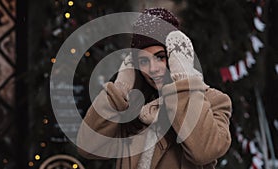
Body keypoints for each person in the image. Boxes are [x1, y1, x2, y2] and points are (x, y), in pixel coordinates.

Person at [77, 8, 232, 169]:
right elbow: (88, 147)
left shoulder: (214, 101)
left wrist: (183, 80)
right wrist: (120, 88)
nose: (153, 68)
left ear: (176, 57)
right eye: (143, 61)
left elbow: (204, 152)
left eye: (160, 57)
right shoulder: (132, 108)